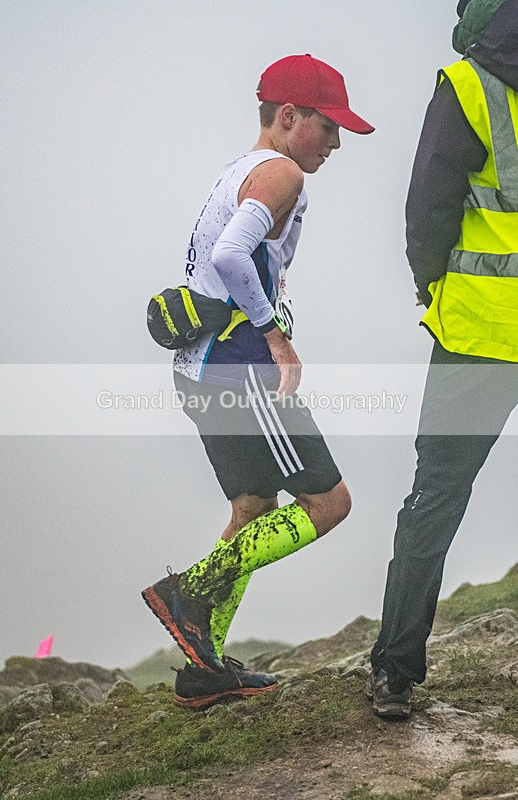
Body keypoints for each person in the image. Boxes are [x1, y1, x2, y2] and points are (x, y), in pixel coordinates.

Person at [143, 54, 375, 711]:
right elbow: (227, 256)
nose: (334, 142)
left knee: (252, 510)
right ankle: (188, 593)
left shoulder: (239, 170)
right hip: (239, 369)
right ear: (287, 116)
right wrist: (277, 338)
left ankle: (202, 669)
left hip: (199, 370)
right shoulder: (279, 174)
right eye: (326, 127)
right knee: (328, 503)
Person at [366, 0, 518, 718]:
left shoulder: (464, 85)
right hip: (477, 333)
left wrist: (433, 283)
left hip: (476, 335)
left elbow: (428, 204)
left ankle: (394, 672)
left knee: (434, 501)